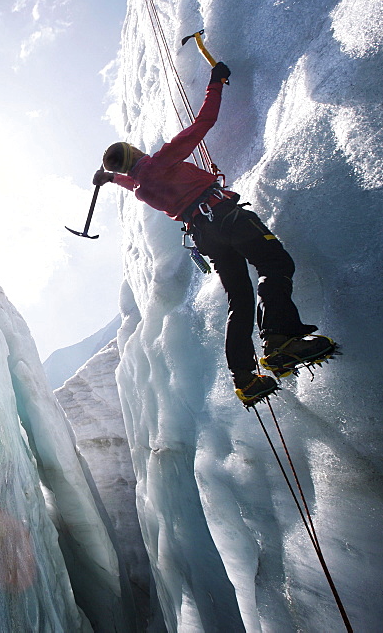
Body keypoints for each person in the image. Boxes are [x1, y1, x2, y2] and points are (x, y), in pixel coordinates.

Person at [93, 61, 335, 405]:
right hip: (224, 216)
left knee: (240, 299)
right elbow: (204, 122)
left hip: (205, 235)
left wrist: (110, 178)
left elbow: (133, 182)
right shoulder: (158, 162)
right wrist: (215, 81)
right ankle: (280, 339)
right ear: (134, 153)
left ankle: (245, 378)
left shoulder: (142, 188)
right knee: (274, 264)